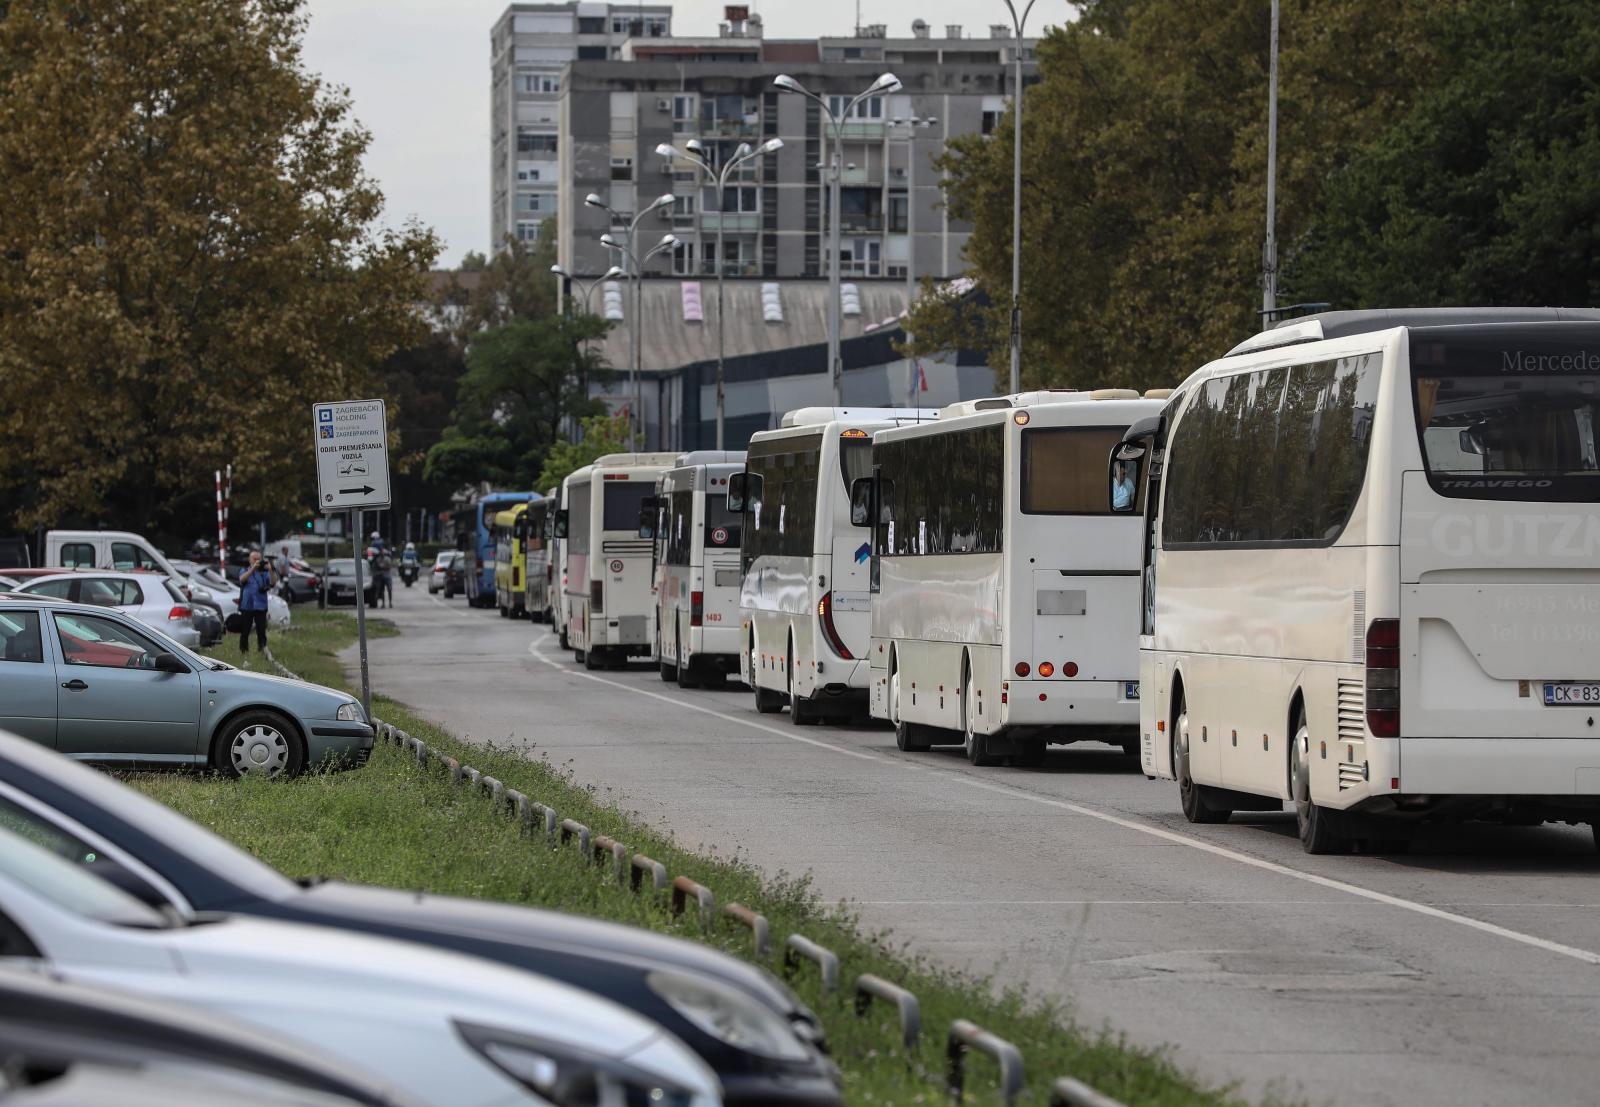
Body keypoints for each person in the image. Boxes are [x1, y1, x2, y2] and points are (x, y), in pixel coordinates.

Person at [237, 550, 275, 655]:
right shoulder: (244, 570)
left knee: (261, 630)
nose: (257, 561)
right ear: (250, 560)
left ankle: (262, 649)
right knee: (245, 630)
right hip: (247, 605)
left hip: (261, 605)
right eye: (255, 559)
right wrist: (253, 569)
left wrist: (271, 570)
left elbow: (273, 582)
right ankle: (243, 651)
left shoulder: (264, 572)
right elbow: (241, 579)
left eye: (259, 559)